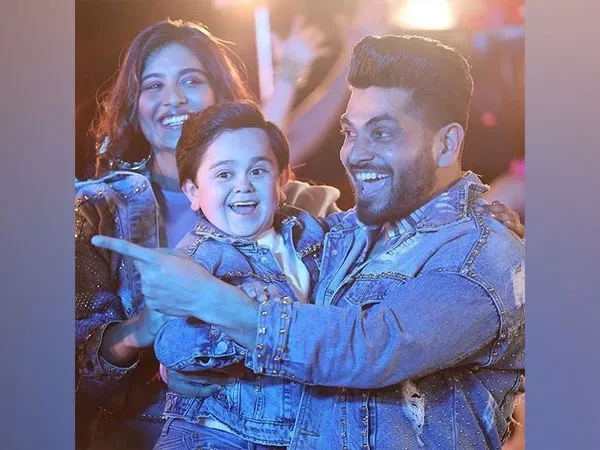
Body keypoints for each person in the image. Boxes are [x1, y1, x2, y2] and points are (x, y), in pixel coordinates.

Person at [94, 35, 525, 449]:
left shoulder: (481, 255)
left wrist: (213, 302)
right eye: (350, 132)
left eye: (382, 133)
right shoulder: (344, 234)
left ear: (446, 144)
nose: (356, 153)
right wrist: (191, 359)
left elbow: (366, 349)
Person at [75, 19, 339, 450]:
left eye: (191, 80)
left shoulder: (301, 208)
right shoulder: (97, 210)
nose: (173, 98)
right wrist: (144, 334)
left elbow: (344, 335)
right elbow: (58, 376)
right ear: (134, 107)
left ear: (221, 94)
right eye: (153, 85)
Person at [151, 100, 329, 449]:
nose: (243, 185)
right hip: (212, 431)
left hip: (293, 434)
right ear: (193, 192)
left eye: (258, 171)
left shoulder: (310, 233)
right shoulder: (199, 257)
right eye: (224, 174)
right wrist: (235, 315)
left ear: (282, 180)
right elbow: (170, 344)